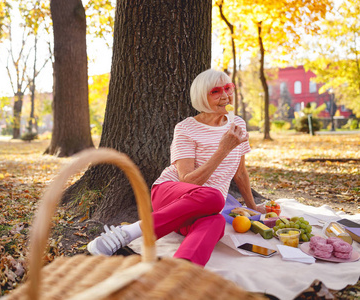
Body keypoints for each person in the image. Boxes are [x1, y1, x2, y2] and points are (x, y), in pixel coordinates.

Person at [87, 68, 266, 266]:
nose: (225, 96)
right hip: (170, 194)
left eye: (228, 88)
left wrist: (253, 207)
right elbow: (187, 179)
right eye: (215, 91)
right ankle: (130, 232)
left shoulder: (238, 124)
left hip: (203, 208)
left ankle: (180, 273)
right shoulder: (186, 128)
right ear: (201, 97)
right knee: (214, 196)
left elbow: (240, 173)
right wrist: (223, 149)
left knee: (216, 222)